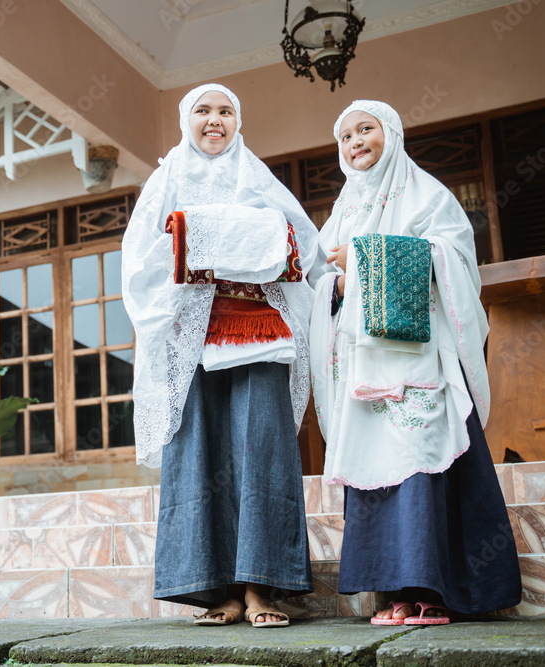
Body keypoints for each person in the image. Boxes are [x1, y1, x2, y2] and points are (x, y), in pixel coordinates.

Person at [309, 100, 522, 625]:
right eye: (346, 136)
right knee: (377, 471)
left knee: (423, 459)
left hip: (418, 362)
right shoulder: (342, 210)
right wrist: (337, 281)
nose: (356, 141)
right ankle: (394, 594)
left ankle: (441, 590)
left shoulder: (428, 195)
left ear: (393, 135)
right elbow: (321, 283)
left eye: (367, 129)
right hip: (364, 372)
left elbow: (450, 260)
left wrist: (361, 258)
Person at [121, 83, 324, 627]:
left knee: (263, 450)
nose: (216, 121)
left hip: (260, 336)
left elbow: (304, 246)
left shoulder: (258, 178)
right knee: (199, 455)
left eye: (226, 111)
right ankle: (219, 591)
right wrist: (201, 244)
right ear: (187, 120)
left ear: (239, 121)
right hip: (192, 337)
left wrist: (238, 242)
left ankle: (263, 589)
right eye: (204, 112)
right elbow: (139, 259)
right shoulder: (164, 182)